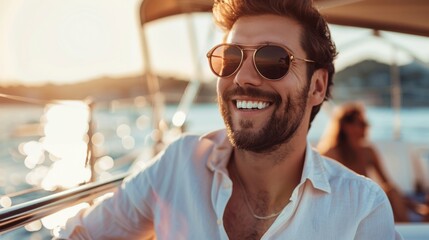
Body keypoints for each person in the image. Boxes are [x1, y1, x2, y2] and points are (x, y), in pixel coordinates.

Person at [57, 0, 402, 239]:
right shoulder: (178, 165)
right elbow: (82, 234)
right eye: (230, 58)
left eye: (272, 60)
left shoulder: (361, 208)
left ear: (317, 86)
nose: (243, 78)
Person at [317, 102, 410, 222]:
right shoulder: (329, 153)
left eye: (366, 124)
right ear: (346, 126)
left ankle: (405, 227)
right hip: (342, 201)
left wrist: (406, 202)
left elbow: (386, 182)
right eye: (362, 124)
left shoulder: (368, 151)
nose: (367, 127)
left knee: (392, 191)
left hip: (365, 198)